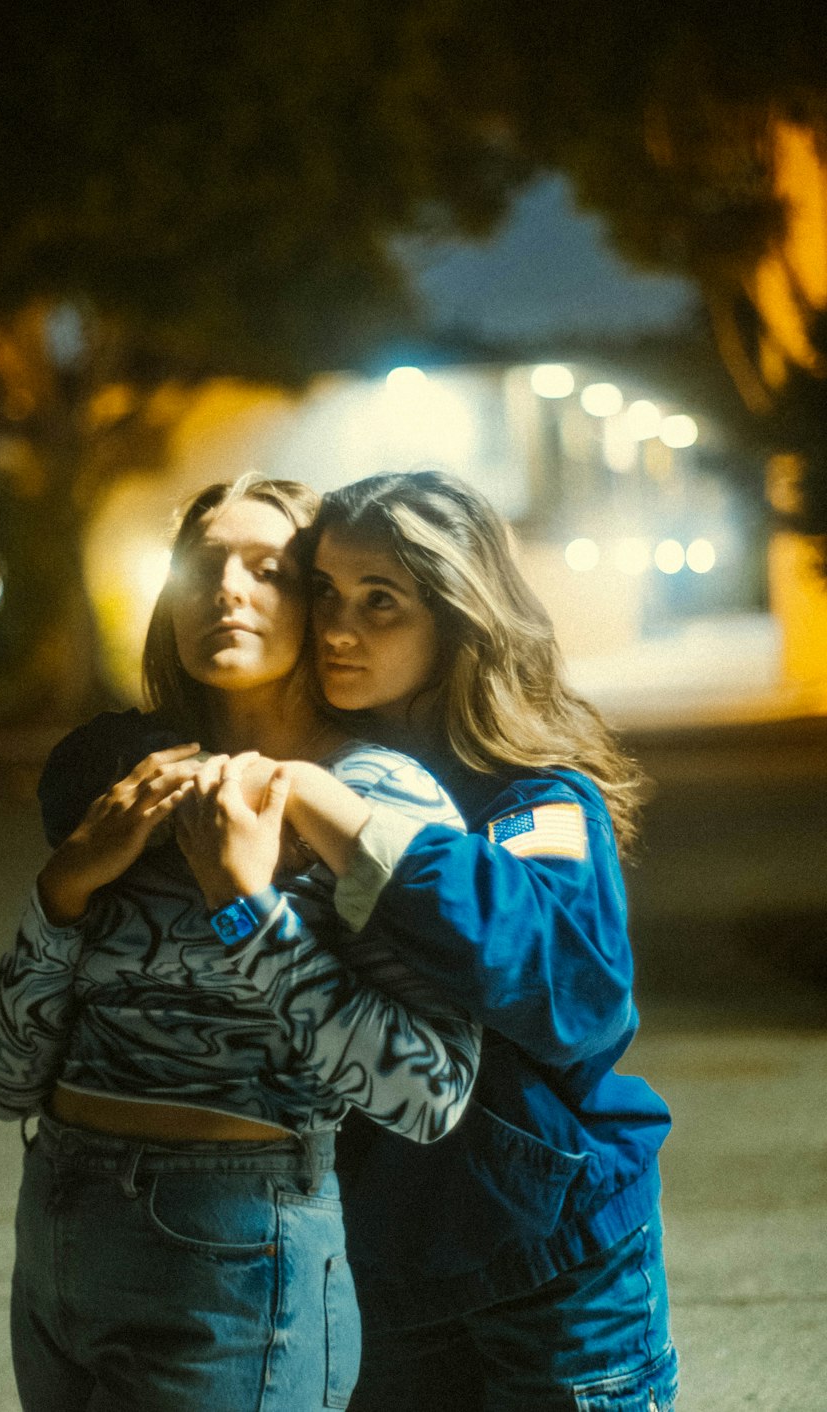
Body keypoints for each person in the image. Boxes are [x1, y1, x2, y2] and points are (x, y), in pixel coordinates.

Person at [43, 468, 678, 1411]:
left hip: (552, 1262)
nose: (340, 629)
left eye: (381, 602)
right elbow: (92, 767)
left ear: (459, 617)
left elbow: (575, 990)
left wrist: (329, 808)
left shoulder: (528, 795)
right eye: (326, 593)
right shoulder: (301, 758)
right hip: (377, 1262)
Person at [0, 475, 480, 1412]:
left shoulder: (375, 798)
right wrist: (67, 886)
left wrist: (247, 907)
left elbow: (429, 1093)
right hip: (56, 1226)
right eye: (202, 566)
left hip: (236, 1250)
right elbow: (4, 1080)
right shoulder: (126, 781)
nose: (227, 591)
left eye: (270, 570)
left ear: (318, 604)